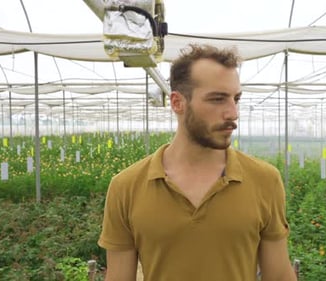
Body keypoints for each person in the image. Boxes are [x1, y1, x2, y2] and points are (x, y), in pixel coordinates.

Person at [98, 44, 296, 281]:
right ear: (177, 103)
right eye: (217, 99)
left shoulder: (265, 180)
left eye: (236, 99)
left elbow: (279, 275)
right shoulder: (126, 187)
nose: (233, 113)